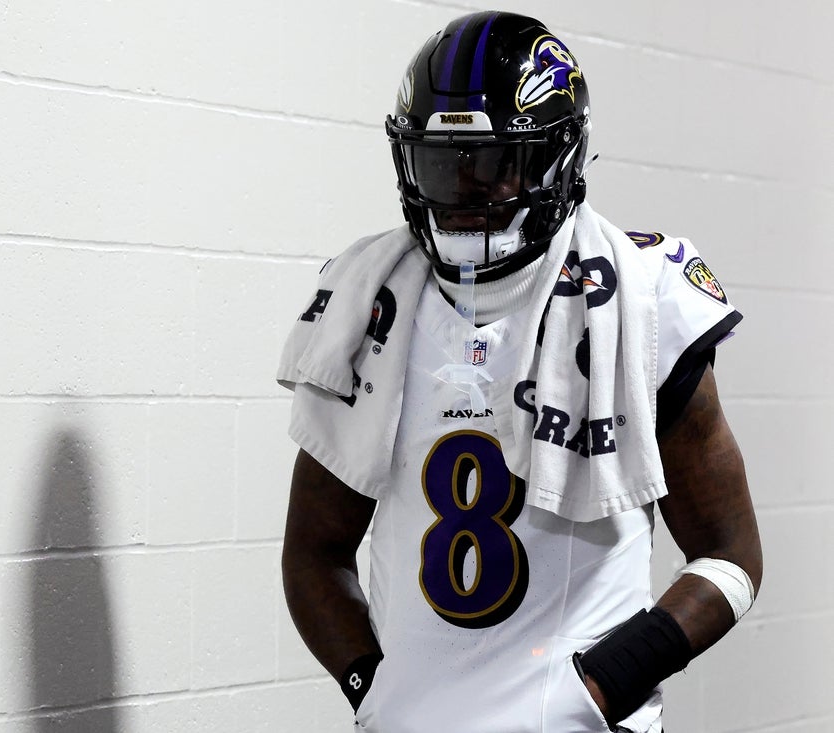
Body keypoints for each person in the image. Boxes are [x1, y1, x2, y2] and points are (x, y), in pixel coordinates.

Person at [278, 11, 762, 733]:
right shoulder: (367, 298)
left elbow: (730, 556)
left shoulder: (643, 296)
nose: (464, 192)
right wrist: (372, 688)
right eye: (442, 163)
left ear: (556, 159)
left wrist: (600, 688)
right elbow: (314, 551)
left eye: (493, 164)